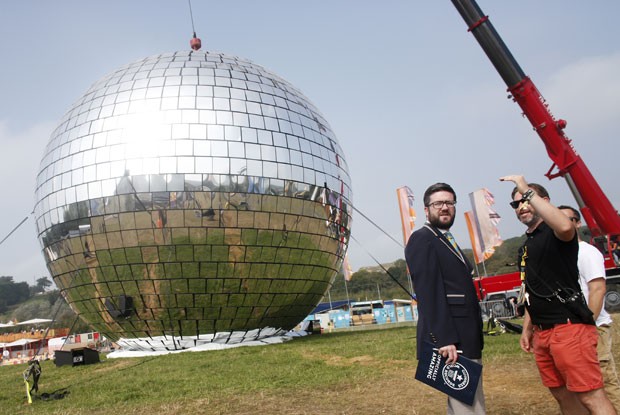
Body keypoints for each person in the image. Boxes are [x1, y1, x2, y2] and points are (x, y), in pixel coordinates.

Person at [501, 175, 616, 415]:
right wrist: (527, 329)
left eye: (526, 200)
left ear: (544, 201)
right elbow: (533, 292)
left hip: (569, 328)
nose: (522, 206)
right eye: (516, 204)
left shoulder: (557, 234)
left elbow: (564, 225)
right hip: (543, 333)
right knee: (563, 395)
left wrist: (524, 187)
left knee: (591, 395)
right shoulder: (527, 245)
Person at [405, 182, 485, 414]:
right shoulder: (423, 238)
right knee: (467, 404)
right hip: (453, 340)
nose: (444, 208)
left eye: (449, 203)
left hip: (466, 335)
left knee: (467, 400)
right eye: (438, 203)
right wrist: (444, 339)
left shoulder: (445, 239)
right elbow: (429, 292)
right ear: (426, 209)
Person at [559, 205, 620, 411]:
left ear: (577, 223)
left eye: (569, 219)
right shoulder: (559, 255)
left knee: (604, 380)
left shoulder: (587, 252)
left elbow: (597, 290)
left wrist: (588, 324)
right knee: (582, 385)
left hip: (592, 327)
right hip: (572, 329)